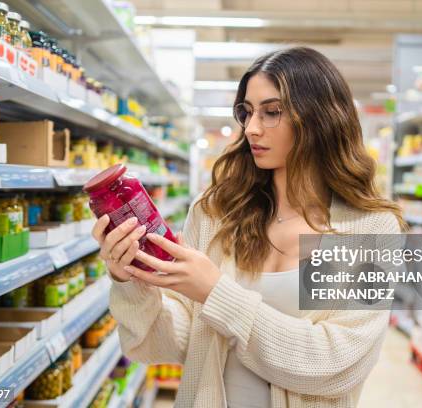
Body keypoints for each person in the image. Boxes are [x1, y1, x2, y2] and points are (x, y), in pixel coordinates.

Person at [92, 47, 405, 407]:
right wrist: (131, 281)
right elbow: (170, 343)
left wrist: (215, 292)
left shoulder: (371, 228)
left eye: (272, 112)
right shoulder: (215, 213)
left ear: (320, 119)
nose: (252, 128)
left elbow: (336, 365)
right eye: (247, 112)